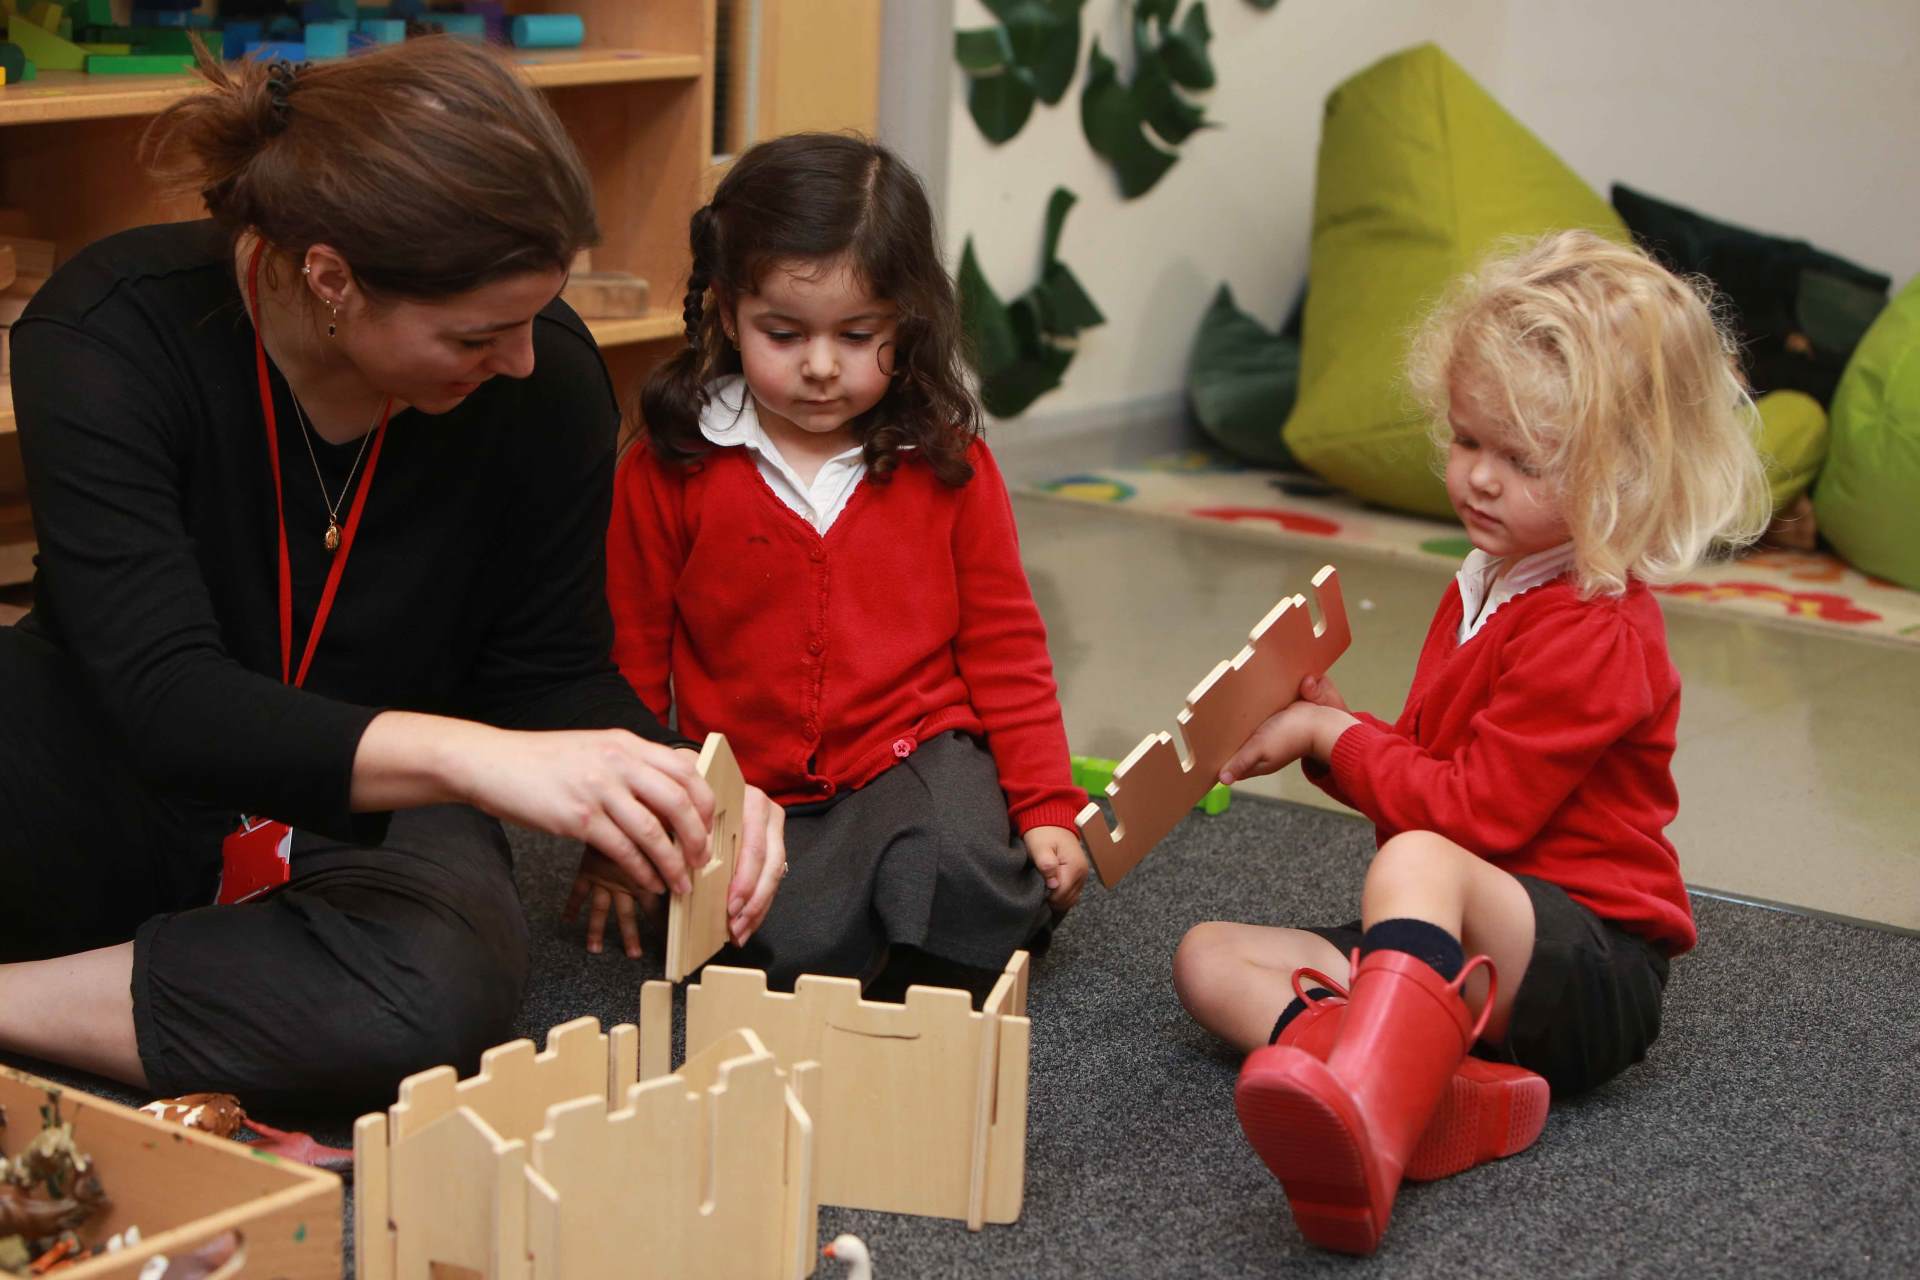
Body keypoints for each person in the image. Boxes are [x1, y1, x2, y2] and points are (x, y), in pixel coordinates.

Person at [0, 39, 785, 1113]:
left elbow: (549, 673)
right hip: (117, 759)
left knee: (435, 987)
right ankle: (203, 984)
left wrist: (677, 778)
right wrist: (476, 758)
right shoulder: (112, 326)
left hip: (369, 804)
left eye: (533, 316)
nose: (522, 358)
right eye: (477, 334)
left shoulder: (544, 381)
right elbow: (164, 697)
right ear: (332, 279)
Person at [1171, 230, 1770, 1254]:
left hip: (1587, 968)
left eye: (1522, 459)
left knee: (1414, 859)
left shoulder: (1594, 627)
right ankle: (1436, 1091)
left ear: (1626, 474)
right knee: (1209, 958)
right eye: (1466, 440)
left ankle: (1371, 1118)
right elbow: (1433, 767)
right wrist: (1328, 731)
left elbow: (1467, 817)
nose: (1479, 479)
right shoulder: (1495, 577)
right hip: (1473, 937)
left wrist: (1335, 734)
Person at [595, 133, 1088, 1000]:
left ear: (906, 322)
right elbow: (630, 661)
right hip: (751, 789)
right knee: (762, 933)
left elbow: (1006, 647)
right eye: (783, 334)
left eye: (859, 336)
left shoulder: (950, 462)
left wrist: (1044, 804)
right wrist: (617, 837)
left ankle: (908, 919)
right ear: (726, 314)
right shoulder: (669, 465)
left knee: (960, 864)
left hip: (912, 756)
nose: (822, 368)